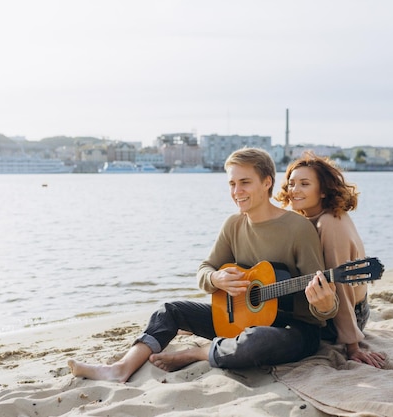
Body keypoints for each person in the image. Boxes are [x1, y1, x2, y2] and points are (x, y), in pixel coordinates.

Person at [68, 147, 338, 382]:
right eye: (232, 184)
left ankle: (197, 353)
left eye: (245, 182)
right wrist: (216, 280)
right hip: (238, 321)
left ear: (267, 182)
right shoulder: (233, 224)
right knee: (170, 310)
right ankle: (121, 368)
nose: (237, 191)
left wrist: (325, 305)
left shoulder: (298, 228)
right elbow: (205, 269)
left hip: (294, 330)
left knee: (257, 341)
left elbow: (321, 303)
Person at [275, 151, 386, 368]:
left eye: (304, 184)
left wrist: (352, 345)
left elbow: (341, 285)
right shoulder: (303, 218)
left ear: (323, 190)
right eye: (291, 184)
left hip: (348, 316)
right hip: (324, 308)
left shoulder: (329, 223)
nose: (294, 190)